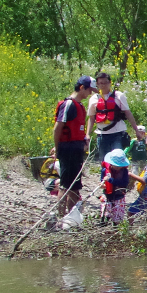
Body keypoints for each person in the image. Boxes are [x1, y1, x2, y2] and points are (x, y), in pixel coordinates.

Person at [53, 76, 96, 215]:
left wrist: (84, 141)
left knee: (75, 185)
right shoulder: (68, 104)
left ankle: (72, 217)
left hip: (76, 149)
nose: (90, 93)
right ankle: (61, 216)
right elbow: (58, 127)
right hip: (67, 148)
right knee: (65, 185)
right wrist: (57, 147)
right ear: (82, 87)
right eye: (89, 90)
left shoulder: (80, 106)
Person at [86, 72, 141, 159]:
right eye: (101, 83)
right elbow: (91, 118)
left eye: (105, 82)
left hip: (117, 133)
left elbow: (128, 113)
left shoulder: (118, 96)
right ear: (97, 84)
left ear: (110, 82)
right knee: (104, 162)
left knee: (117, 160)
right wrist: (87, 134)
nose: (103, 85)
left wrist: (136, 130)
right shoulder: (93, 99)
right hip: (102, 134)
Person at [99, 149, 141, 223]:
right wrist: (103, 185)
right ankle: (104, 224)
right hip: (107, 196)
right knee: (105, 215)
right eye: (116, 165)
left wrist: (111, 180)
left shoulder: (124, 172)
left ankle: (115, 227)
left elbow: (124, 183)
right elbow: (102, 181)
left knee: (117, 218)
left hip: (119, 196)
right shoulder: (104, 170)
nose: (118, 167)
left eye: (119, 166)